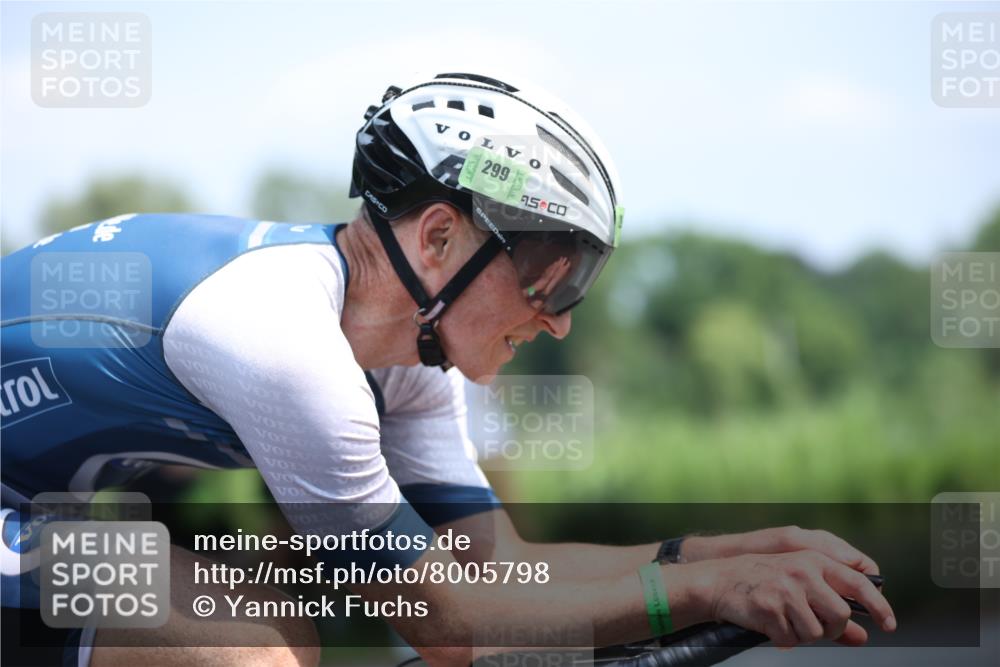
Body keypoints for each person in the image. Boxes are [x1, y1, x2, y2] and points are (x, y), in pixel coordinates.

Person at [0, 72, 895, 667]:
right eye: (550, 276)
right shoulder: (284, 343)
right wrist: (707, 590)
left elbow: (496, 571)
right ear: (438, 239)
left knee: (264, 610)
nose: (557, 318)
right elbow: (445, 624)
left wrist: (720, 553)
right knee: (246, 643)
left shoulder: (408, 360)